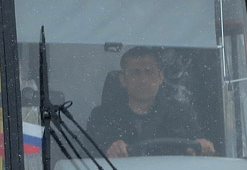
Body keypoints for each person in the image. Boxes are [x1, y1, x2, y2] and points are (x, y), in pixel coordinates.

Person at [86, 46, 215, 158]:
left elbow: (199, 149)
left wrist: (204, 147)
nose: (143, 80)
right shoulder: (102, 117)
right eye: (136, 73)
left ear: (160, 77)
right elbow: (89, 160)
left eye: (149, 72)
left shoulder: (181, 114)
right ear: (123, 80)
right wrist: (110, 150)